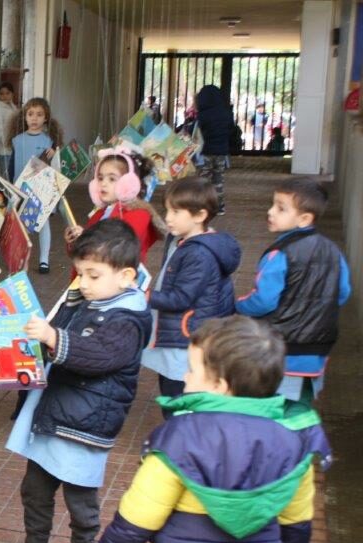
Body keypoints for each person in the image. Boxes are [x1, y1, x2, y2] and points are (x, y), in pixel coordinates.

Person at [95, 316, 327, 543]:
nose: (185, 378)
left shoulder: (179, 437)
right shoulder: (294, 443)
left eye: (192, 370)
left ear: (219, 385)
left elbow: (141, 511)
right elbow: (297, 520)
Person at [0, 220, 152, 543]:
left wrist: (53, 337)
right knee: (35, 489)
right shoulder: (90, 298)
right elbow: (57, 331)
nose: (82, 283)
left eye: (93, 275)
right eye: (80, 274)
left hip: (85, 425)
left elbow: (97, 355)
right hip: (54, 415)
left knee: (81, 502)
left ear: (127, 276)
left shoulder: (128, 318)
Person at [235, 177, 352, 404]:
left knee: (271, 409)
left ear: (304, 218)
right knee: (301, 409)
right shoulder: (333, 251)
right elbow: (343, 292)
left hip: (281, 350)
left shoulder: (279, 253)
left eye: (280, 208)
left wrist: (238, 305)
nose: (270, 212)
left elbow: (263, 301)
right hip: (318, 349)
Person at [142, 177, 240, 410]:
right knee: (172, 387)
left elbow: (181, 298)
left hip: (185, 334)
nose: (168, 218)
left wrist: (146, 297)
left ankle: (184, 435)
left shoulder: (199, 254)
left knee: (179, 394)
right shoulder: (180, 239)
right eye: (167, 210)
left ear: (200, 216)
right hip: (179, 331)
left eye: (176, 211)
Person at [65, 149, 167, 265]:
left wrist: (86, 238)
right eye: (100, 178)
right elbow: (82, 255)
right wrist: (75, 241)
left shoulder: (139, 214)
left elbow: (118, 251)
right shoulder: (99, 214)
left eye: (112, 179)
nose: (103, 183)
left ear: (128, 183)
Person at [9, 97, 64, 274]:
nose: (34, 118)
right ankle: (23, 260)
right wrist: (12, 188)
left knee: (43, 222)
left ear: (46, 118)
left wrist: (55, 152)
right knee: (22, 227)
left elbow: (56, 167)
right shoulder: (17, 140)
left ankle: (44, 260)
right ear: (24, 117)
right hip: (21, 189)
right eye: (30, 114)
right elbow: (11, 166)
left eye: (39, 115)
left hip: (42, 190)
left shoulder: (50, 142)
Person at [194, 85, 234, 215]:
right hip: (221, 152)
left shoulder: (203, 114)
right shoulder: (226, 113)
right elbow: (231, 131)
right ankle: (219, 206)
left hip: (205, 152)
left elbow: (197, 132)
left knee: (203, 180)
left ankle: (203, 205)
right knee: (218, 180)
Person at [0, 81, 19, 180]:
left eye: (7, 93)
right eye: (1, 94)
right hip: (3, 151)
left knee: (12, 179)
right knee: (7, 181)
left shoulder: (13, 108)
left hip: (11, 150)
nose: (5, 96)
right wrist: (8, 142)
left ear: (12, 94)